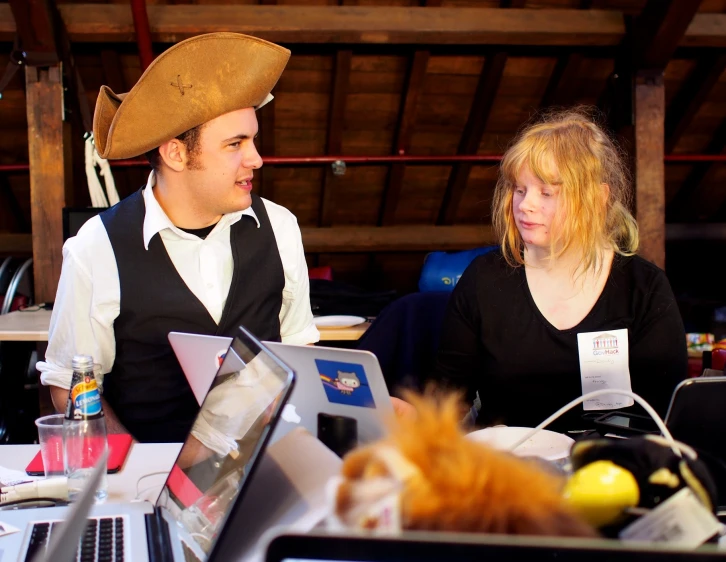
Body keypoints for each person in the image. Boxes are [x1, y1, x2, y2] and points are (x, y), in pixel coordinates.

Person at [37, 33, 319, 443]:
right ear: (176, 154)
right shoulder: (95, 247)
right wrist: (134, 470)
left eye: (252, 140)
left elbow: (302, 354)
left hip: (263, 466)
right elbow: (71, 383)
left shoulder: (281, 226)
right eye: (235, 144)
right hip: (148, 475)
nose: (255, 159)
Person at [431, 107, 687, 432]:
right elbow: (447, 404)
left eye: (547, 193)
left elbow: (664, 417)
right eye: (519, 190)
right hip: (507, 471)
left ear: (597, 198)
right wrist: (413, 416)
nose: (525, 205)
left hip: (609, 472)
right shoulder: (483, 279)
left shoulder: (644, 288)